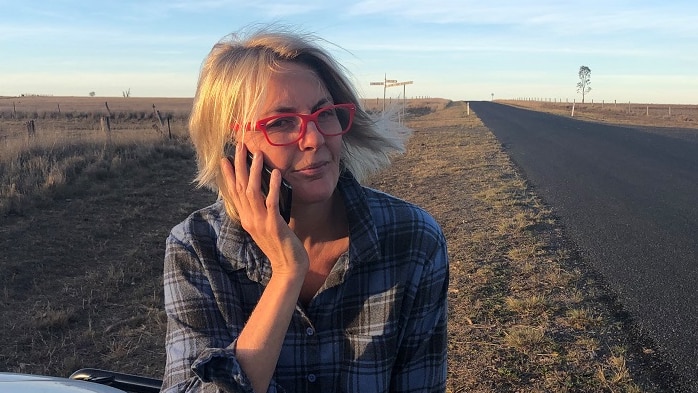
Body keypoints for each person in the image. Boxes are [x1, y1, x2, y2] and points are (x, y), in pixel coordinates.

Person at [161, 26, 449, 393]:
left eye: (323, 113)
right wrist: (286, 273)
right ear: (232, 146)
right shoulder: (195, 248)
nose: (314, 139)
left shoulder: (413, 239)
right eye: (281, 123)